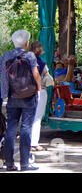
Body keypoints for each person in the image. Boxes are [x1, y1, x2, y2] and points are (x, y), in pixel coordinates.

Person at [0, 30, 41, 171]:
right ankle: (25, 163)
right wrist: (39, 90)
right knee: (26, 128)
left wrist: (4, 94)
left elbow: (3, 77)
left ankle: (9, 164)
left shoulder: (6, 56)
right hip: (29, 97)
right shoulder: (30, 55)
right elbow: (36, 74)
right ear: (26, 43)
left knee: (10, 129)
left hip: (12, 97)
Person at [29, 41, 54, 152]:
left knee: (28, 117)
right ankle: (33, 143)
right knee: (37, 118)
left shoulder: (26, 62)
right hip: (40, 91)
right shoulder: (42, 63)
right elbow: (48, 78)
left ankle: (26, 141)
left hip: (26, 91)